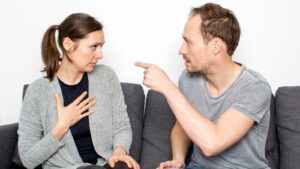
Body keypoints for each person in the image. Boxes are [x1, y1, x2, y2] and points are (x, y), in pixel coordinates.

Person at [135, 3, 271, 169]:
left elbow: (212, 143)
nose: (181, 50)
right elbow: (182, 126)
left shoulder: (255, 88)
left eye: (188, 42)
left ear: (216, 47)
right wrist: (178, 159)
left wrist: (167, 87)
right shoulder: (189, 79)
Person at [18, 13, 139, 169]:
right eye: (93, 46)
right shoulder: (38, 91)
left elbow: (121, 127)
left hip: (104, 165)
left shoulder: (106, 77)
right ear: (68, 44)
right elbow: (28, 160)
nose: (100, 54)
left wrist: (119, 153)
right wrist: (61, 127)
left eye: (101, 46)